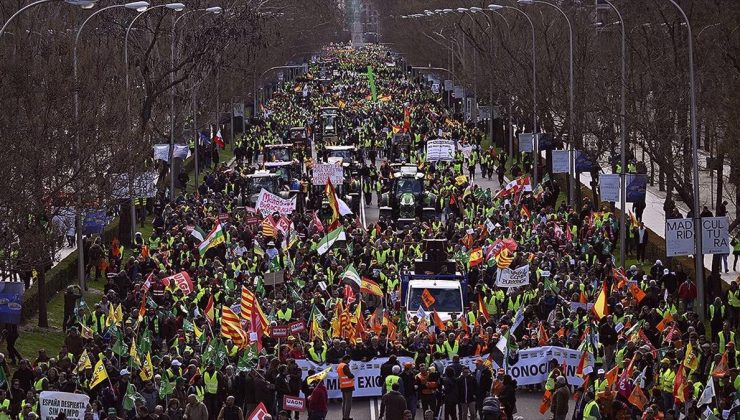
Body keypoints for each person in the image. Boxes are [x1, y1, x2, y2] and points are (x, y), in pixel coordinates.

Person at [337, 355, 355, 420]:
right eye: (349, 360)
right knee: (348, 403)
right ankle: (346, 417)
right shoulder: (345, 366)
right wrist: (353, 376)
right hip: (348, 386)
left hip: (343, 385)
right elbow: (349, 375)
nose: (349, 362)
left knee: (344, 402)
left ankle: (344, 416)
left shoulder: (339, 365)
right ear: (347, 359)